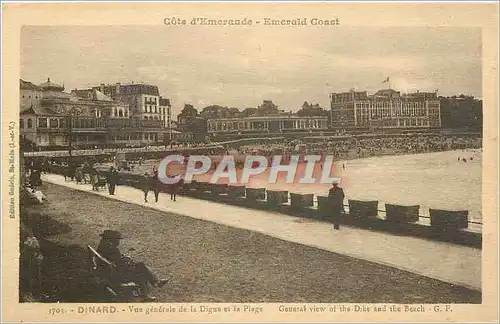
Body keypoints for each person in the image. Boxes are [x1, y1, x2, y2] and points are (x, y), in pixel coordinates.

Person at [96, 230, 169, 301]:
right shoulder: (111, 249)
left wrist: (124, 259)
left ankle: (156, 282)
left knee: (139, 266)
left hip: (110, 272)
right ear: (111, 240)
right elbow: (120, 263)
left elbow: (116, 260)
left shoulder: (102, 247)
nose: (118, 242)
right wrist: (128, 261)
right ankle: (148, 292)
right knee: (140, 269)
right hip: (117, 276)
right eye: (117, 239)